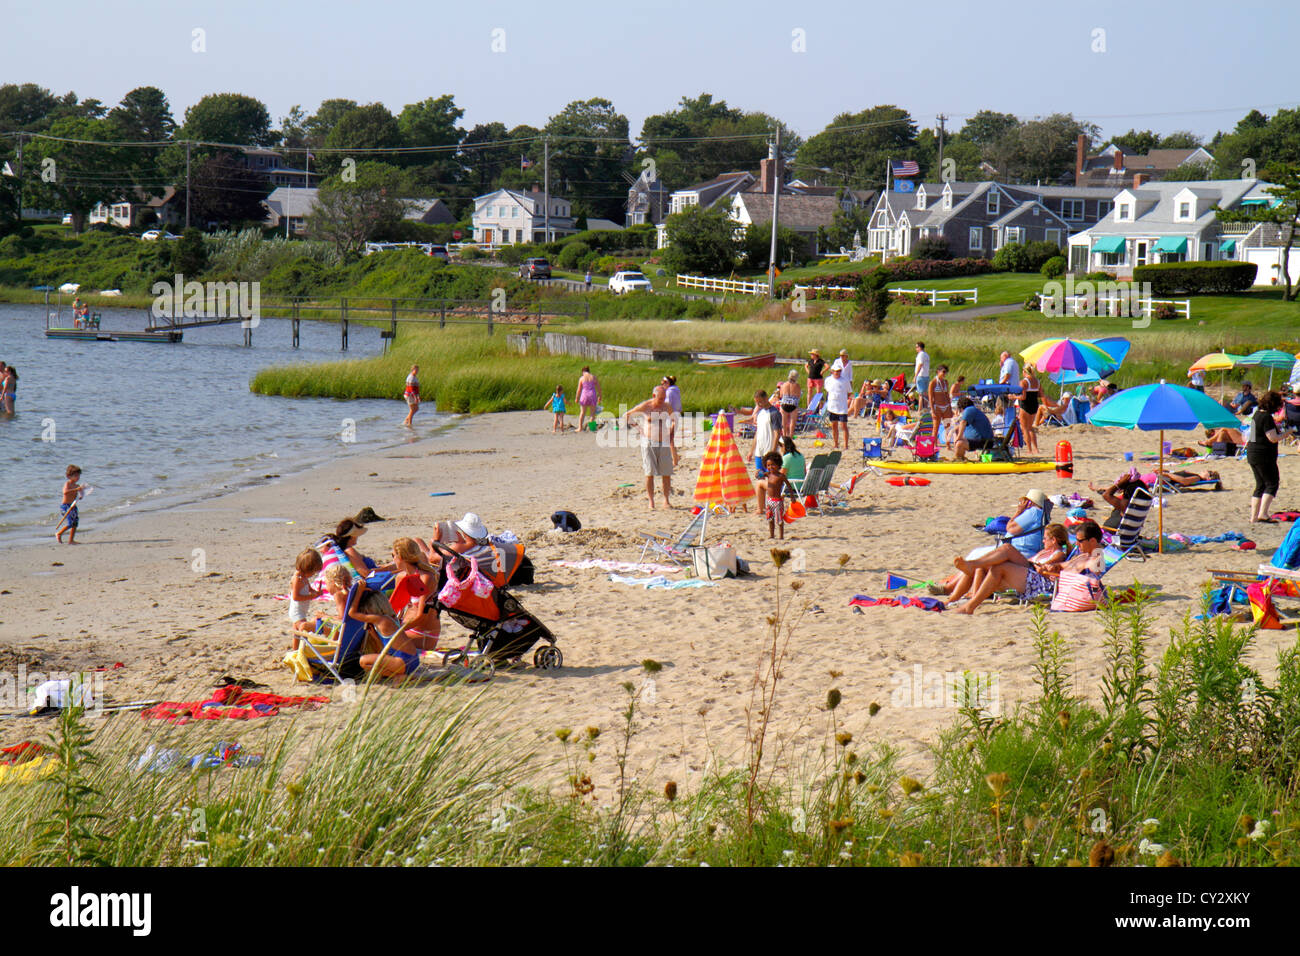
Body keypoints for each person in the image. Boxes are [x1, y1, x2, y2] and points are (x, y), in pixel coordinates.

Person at [953, 520, 1104, 615]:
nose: (1077, 544)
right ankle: (968, 596)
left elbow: (1086, 582)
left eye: (1080, 541)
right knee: (1001, 558)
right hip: (1043, 576)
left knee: (999, 568)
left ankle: (970, 604)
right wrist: (1052, 567)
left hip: (1049, 584)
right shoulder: (1082, 556)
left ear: (1092, 540)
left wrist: (1050, 572)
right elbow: (1062, 565)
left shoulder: (1096, 559)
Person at [937, 523, 1069, 604]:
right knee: (984, 565)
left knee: (1007, 549)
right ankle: (953, 599)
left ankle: (972, 565)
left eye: (1045, 538)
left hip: (1035, 575)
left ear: (1054, 540)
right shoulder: (1042, 551)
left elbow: (1044, 567)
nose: (1043, 541)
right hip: (1028, 569)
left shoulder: (1058, 554)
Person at [626, 385, 676, 509]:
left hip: (663, 442)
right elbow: (627, 415)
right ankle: (651, 501)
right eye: (660, 399)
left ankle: (666, 500)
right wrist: (639, 429)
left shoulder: (666, 406)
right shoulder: (646, 406)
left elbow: (674, 419)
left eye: (664, 398)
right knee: (649, 472)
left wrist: (671, 433)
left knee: (666, 472)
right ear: (654, 396)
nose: (662, 401)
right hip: (648, 442)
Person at [389, 537, 440, 647]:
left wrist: (397, 631)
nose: (393, 560)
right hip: (406, 628)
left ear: (401, 557)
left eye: (393, 556)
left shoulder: (425, 578)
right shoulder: (401, 577)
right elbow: (397, 608)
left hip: (424, 634)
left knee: (387, 642)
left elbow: (421, 616)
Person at [1248, 390, 1283, 522]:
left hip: (1252, 453)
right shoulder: (1266, 417)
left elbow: (1252, 436)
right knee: (1272, 483)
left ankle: (1254, 517)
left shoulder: (1256, 415)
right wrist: (1288, 432)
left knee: (1260, 485)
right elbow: (1273, 438)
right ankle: (1263, 513)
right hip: (1263, 455)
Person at [288, 549, 325, 641]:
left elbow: (310, 589)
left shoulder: (304, 578)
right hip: (297, 611)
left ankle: (295, 650)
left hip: (302, 610)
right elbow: (295, 597)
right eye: (313, 572)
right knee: (304, 630)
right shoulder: (297, 579)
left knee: (297, 633)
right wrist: (311, 596)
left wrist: (317, 593)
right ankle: (302, 650)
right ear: (307, 569)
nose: (313, 575)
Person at [759, 451, 795, 540]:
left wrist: (792, 496)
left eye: (773, 465)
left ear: (778, 465)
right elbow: (759, 475)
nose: (770, 467)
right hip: (769, 500)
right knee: (770, 519)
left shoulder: (781, 476)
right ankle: (772, 535)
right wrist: (758, 473)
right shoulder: (768, 474)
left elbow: (789, 486)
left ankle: (781, 536)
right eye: (768, 465)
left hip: (778, 501)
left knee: (779, 520)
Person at [748, 389, 782, 472]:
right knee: (760, 478)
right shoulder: (760, 413)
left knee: (772, 479)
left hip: (769, 451)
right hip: (759, 452)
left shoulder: (774, 413)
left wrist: (773, 452)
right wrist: (751, 451)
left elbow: (777, 433)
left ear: (766, 398)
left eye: (760, 402)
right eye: (757, 402)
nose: (759, 404)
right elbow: (757, 433)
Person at [953, 396, 995, 462]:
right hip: (984, 440)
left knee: (959, 444)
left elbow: (963, 422)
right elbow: (960, 426)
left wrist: (958, 437)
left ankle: (959, 459)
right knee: (959, 441)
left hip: (984, 441)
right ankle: (961, 458)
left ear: (961, 408)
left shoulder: (969, 410)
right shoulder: (974, 411)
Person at [824, 362, 852, 450]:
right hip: (832, 406)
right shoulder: (828, 380)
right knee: (834, 426)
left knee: (844, 426)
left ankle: (846, 445)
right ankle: (836, 444)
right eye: (835, 371)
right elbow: (827, 390)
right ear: (832, 371)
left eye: (839, 371)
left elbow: (849, 392)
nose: (837, 373)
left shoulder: (845, 381)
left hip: (842, 406)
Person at [56, 465, 85, 544]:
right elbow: (65, 492)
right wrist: (76, 489)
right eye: (75, 476)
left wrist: (81, 494)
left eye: (78, 475)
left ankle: (71, 540)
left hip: (73, 506)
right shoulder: (67, 484)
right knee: (70, 523)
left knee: (75, 523)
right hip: (65, 506)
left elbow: (80, 495)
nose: (77, 477)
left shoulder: (77, 486)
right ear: (69, 476)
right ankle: (59, 533)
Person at [1017, 363, 1041, 455]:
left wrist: (1013, 397)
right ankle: (1036, 449)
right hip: (1034, 405)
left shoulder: (1024, 382)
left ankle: (1029, 450)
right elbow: (1039, 394)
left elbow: (1023, 397)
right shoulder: (1037, 381)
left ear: (1024, 371)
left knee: (1025, 428)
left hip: (1025, 405)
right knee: (1030, 428)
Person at [662, 375, 683, 466]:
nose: (662, 384)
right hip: (676, 414)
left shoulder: (669, 393)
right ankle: (675, 457)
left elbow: (667, 405)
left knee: (669, 439)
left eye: (664, 382)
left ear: (669, 383)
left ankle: (675, 460)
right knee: (670, 438)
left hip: (671, 416)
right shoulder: (676, 391)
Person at [927, 365, 952, 437]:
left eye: (946, 372)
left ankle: (948, 444)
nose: (945, 374)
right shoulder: (933, 383)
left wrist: (950, 407)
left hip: (946, 406)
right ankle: (934, 445)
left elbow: (947, 395)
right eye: (943, 372)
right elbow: (930, 397)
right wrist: (932, 410)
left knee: (948, 427)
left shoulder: (945, 382)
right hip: (937, 406)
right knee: (935, 428)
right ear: (938, 371)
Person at [576, 367, 601, 432]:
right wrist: (600, 396)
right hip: (592, 395)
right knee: (592, 414)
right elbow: (598, 388)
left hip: (584, 395)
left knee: (582, 412)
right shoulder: (593, 377)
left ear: (583, 372)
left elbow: (579, 390)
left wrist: (577, 398)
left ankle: (580, 428)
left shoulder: (582, 378)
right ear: (589, 371)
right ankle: (591, 428)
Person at [777, 370, 801, 437]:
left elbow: (781, 395)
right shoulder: (797, 386)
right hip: (793, 404)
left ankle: (784, 435)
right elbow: (798, 395)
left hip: (784, 403)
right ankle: (790, 436)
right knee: (792, 422)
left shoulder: (784, 385)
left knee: (784, 422)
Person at [914, 342, 931, 409]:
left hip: (921, 375)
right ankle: (926, 408)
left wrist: (915, 375)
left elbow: (920, 364)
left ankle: (920, 409)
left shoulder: (920, 355)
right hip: (926, 375)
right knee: (925, 394)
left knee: (920, 394)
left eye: (916, 347)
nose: (916, 349)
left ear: (919, 347)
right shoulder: (926, 355)